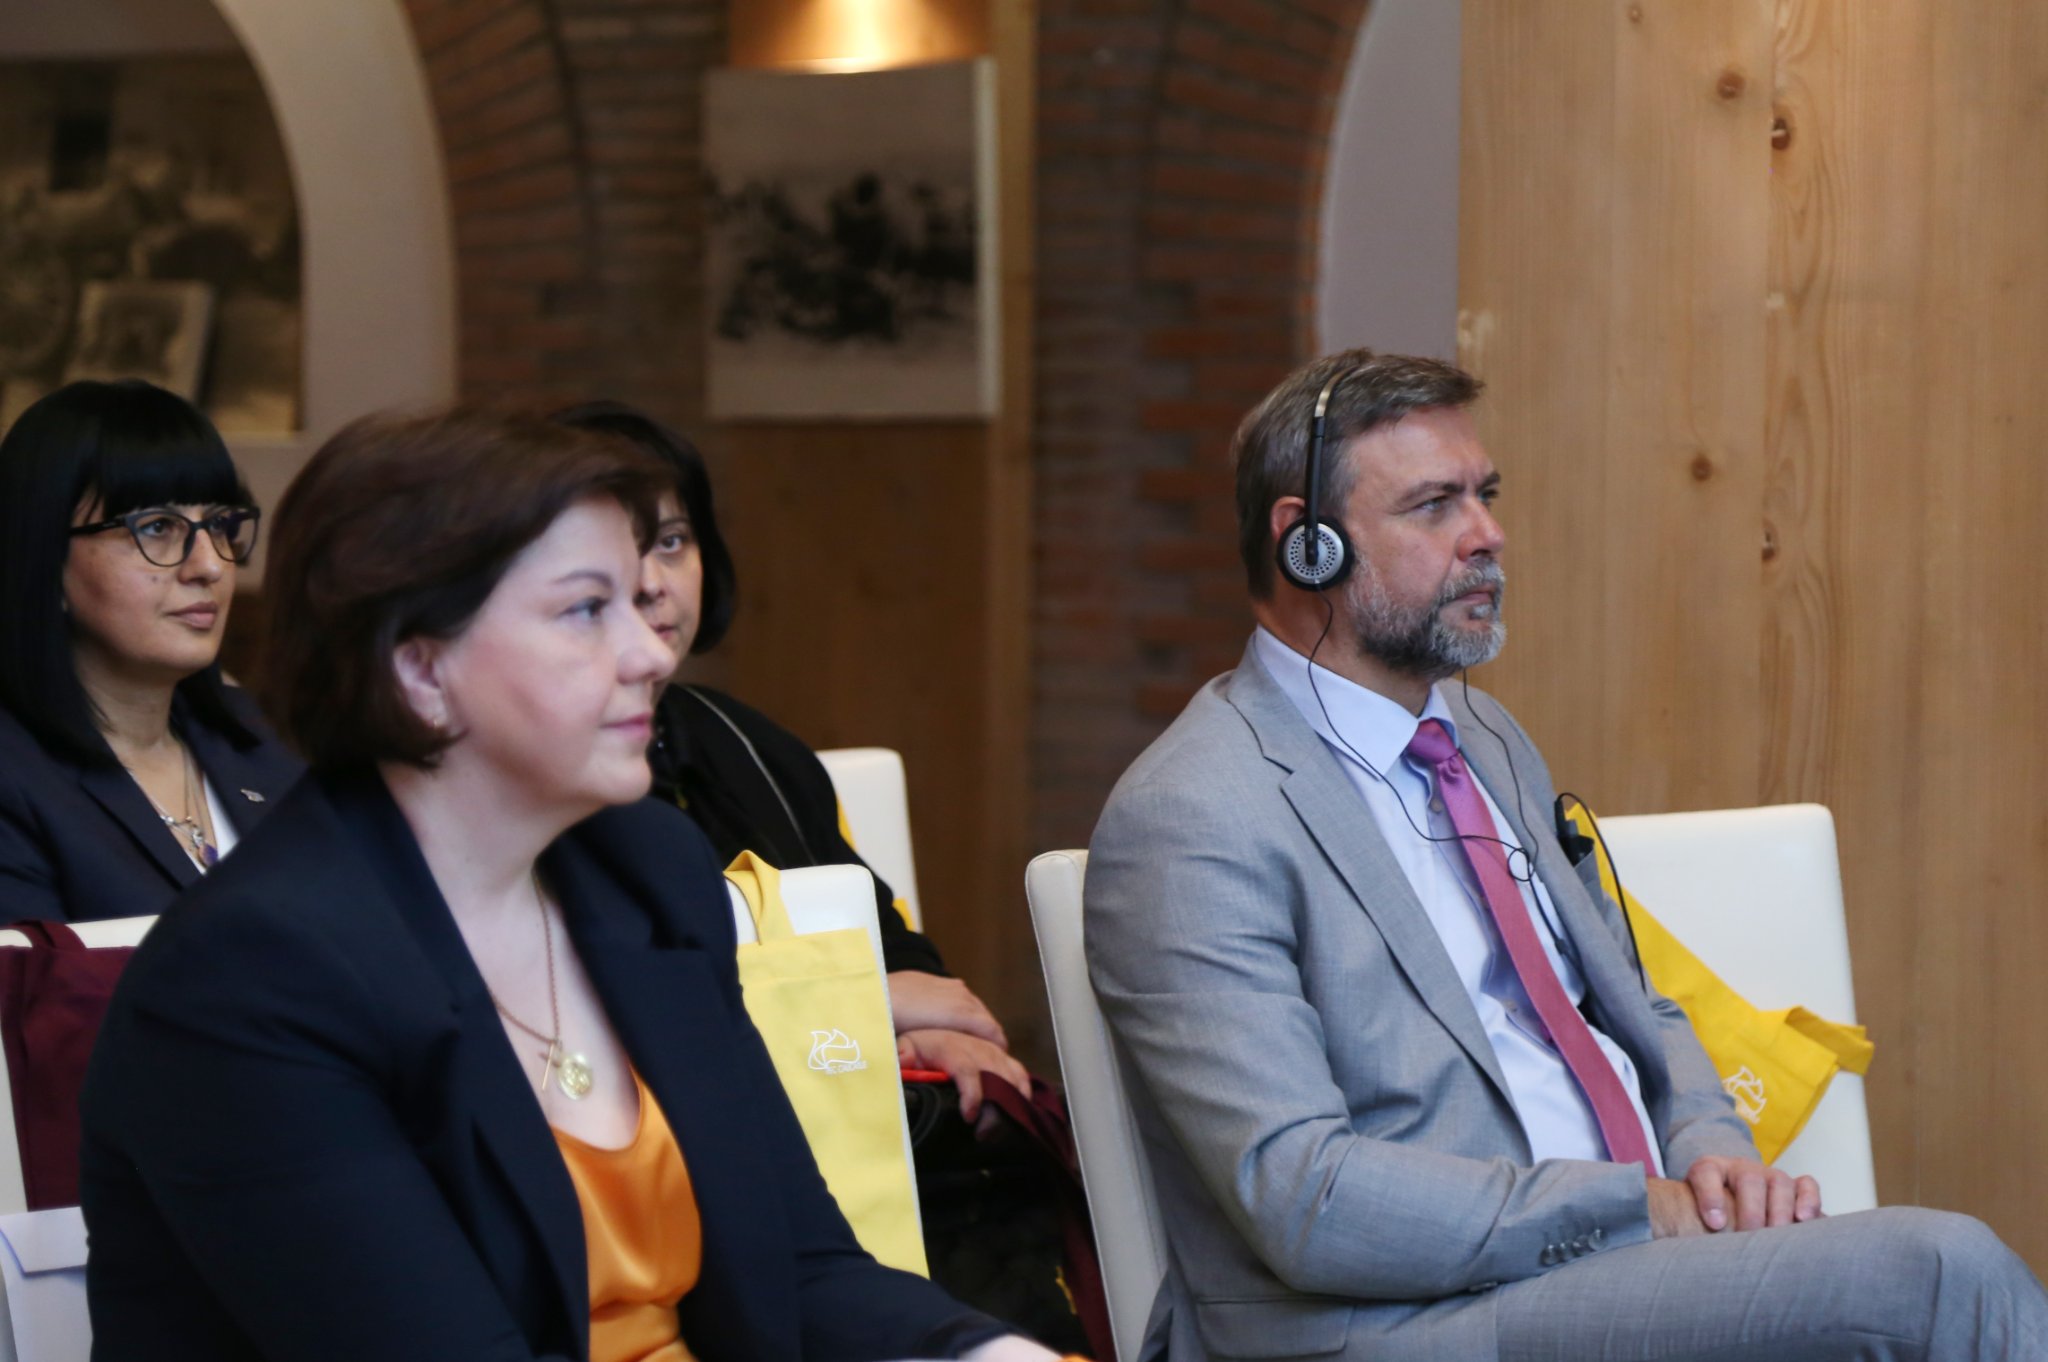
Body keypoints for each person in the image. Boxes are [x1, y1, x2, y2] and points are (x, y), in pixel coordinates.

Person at [1083, 349, 2048, 1361]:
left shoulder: (1481, 736)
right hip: (1403, 1325)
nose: (1486, 535)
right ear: (1305, 544)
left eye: (1485, 495)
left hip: (1613, 1268)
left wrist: (1709, 1147)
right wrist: (1634, 1208)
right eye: (1433, 506)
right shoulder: (1192, 815)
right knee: (1939, 1273)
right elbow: (1303, 1197)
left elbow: (1633, 1004)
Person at [80, 406, 1061, 1362]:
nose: (650, 651)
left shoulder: (648, 868)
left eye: (639, 600)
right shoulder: (251, 979)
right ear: (419, 669)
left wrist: (981, 1351)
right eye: (587, 610)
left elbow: (800, 1272)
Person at [551, 401, 1029, 1122]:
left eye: (673, 542)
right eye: (617, 552)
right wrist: (868, 1001)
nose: (651, 582)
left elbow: (881, 936)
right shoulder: (529, 774)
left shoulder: (747, 743)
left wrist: (936, 1027)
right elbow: (602, 1000)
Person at [0, 379, 301, 924]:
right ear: (45, 557)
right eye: (158, 527)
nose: (210, 565)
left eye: (219, 524)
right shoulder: (15, 779)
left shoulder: (267, 736)